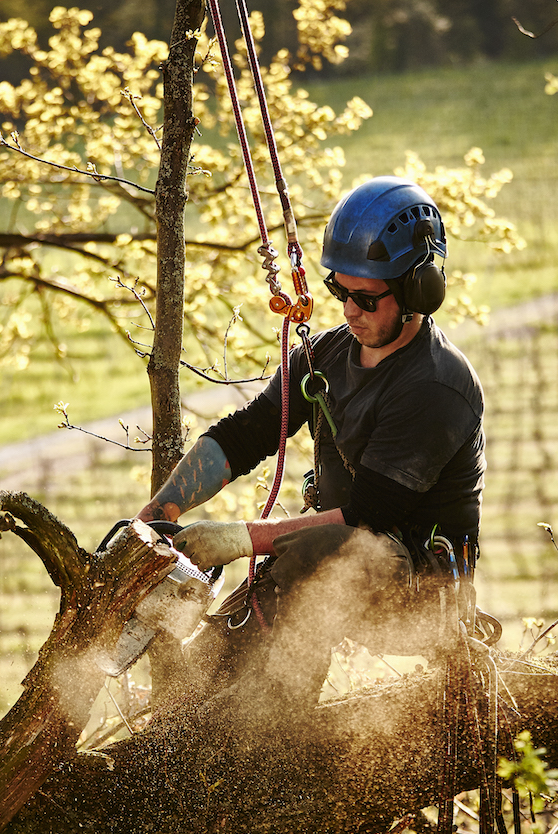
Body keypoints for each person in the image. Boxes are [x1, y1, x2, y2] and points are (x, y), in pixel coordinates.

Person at [135, 176, 486, 711]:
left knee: (318, 555)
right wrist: (159, 513)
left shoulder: (436, 387)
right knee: (204, 677)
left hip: (420, 593)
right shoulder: (324, 357)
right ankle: (190, 714)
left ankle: (275, 730)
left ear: (420, 289)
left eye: (366, 298)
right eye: (338, 291)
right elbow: (246, 433)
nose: (349, 310)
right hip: (320, 562)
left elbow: (369, 514)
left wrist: (239, 537)